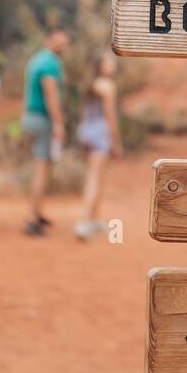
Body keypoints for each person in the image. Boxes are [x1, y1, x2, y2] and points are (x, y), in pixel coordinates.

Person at [21, 27, 69, 236]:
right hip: (42, 119)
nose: (63, 47)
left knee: (42, 166)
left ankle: (37, 212)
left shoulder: (37, 59)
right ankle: (33, 219)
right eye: (60, 42)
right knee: (42, 168)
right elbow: (51, 96)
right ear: (49, 40)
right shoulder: (51, 63)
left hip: (30, 117)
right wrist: (59, 123)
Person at [74, 52, 121, 240]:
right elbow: (110, 116)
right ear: (100, 66)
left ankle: (94, 219)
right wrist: (116, 141)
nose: (112, 65)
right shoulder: (108, 86)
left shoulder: (90, 84)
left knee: (98, 176)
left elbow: (83, 112)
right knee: (94, 177)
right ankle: (83, 222)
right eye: (109, 62)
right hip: (101, 131)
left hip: (86, 130)